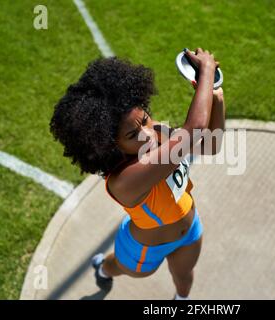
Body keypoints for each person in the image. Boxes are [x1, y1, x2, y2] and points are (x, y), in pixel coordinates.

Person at [50, 48, 225, 300]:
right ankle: (103, 267)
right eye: (133, 135)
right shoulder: (125, 181)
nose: (147, 134)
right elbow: (195, 129)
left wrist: (216, 100)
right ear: (111, 146)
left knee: (184, 276)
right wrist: (206, 72)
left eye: (145, 120)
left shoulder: (160, 134)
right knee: (118, 267)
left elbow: (210, 144)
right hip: (143, 250)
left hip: (189, 230)